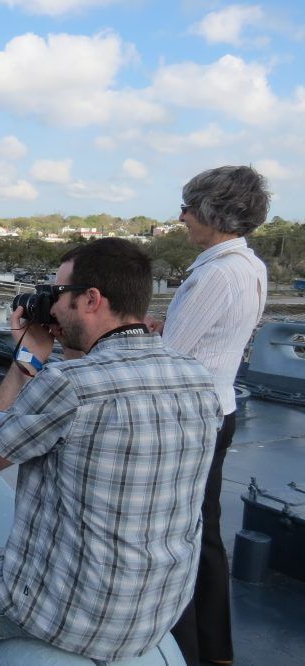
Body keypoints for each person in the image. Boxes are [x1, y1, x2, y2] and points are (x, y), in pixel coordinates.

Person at [0, 238, 221, 664]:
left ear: (92, 299)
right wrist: (70, 343)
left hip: (70, 611)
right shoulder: (197, 378)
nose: (50, 307)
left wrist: (25, 363)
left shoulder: (70, 385)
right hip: (154, 609)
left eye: (57, 295)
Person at [147, 166, 270, 666]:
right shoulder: (249, 265)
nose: (182, 217)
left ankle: (183, 648)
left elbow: (170, 358)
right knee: (206, 531)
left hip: (190, 419)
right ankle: (215, 650)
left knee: (175, 536)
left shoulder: (215, 274)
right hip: (218, 410)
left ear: (214, 215)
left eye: (190, 208)